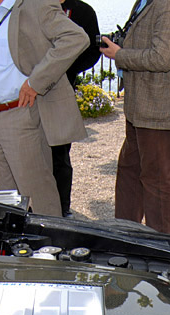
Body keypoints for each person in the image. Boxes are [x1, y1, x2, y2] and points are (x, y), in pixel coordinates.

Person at [0, 0, 87, 216]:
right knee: (9, 202)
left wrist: (35, 82)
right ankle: (20, 249)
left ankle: (52, 247)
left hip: (21, 114)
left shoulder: (34, 4)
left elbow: (76, 38)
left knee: (40, 201)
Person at [100, 0, 170, 235]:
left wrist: (120, 55)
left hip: (157, 106)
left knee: (156, 182)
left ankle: (162, 250)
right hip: (140, 105)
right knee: (129, 171)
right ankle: (125, 236)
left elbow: (163, 57)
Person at [51, 0, 100, 217]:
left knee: (60, 153)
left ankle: (63, 207)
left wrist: (68, 70)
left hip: (63, 91)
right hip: (30, 92)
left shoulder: (83, 11)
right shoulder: (35, 6)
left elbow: (93, 51)